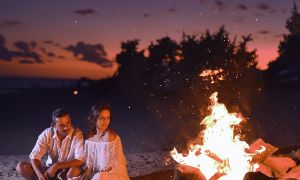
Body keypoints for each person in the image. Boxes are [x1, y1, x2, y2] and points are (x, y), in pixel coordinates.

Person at [16, 108, 84, 180]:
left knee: (74, 171)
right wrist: (40, 175)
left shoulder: (77, 134)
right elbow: (34, 156)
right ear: (53, 125)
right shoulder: (47, 133)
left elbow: (80, 160)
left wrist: (57, 165)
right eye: (61, 125)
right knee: (21, 167)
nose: (66, 127)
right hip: (49, 170)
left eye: (68, 122)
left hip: (67, 170)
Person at [81, 103, 129, 180]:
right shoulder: (89, 138)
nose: (105, 121)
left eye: (108, 118)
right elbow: (89, 165)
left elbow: (110, 167)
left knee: (100, 177)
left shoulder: (110, 136)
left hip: (115, 174)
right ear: (94, 119)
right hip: (99, 174)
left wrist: (95, 174)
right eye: (101, 118)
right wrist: (85, 175)